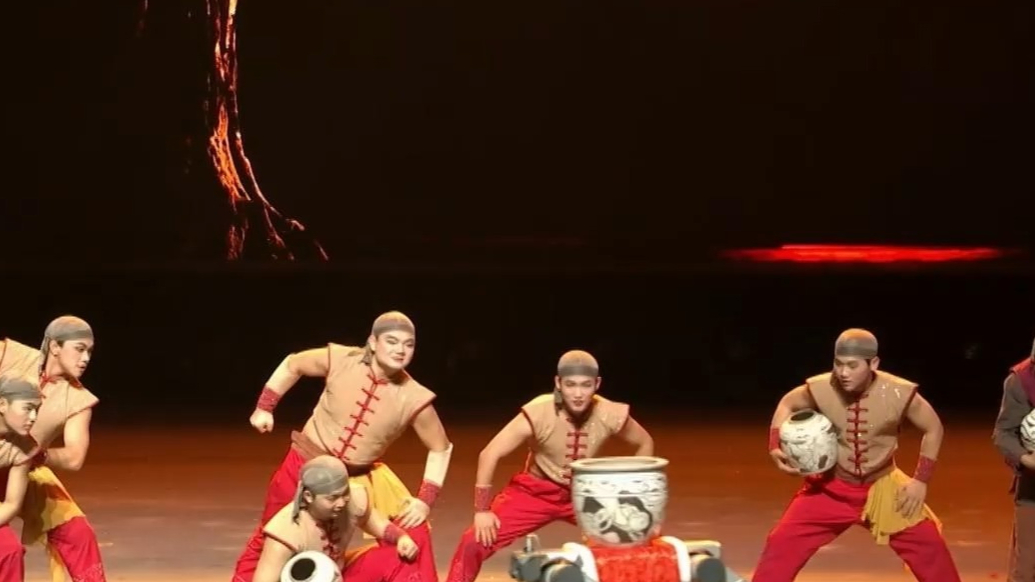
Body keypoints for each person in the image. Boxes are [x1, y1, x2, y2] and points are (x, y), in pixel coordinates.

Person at [233, 311, 452, 582]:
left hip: (354, 480)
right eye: (392, 341)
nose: (400, 350)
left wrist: (424, 501)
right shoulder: (342, 359)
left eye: (409, 345)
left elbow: (440, 447)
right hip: (303, 464)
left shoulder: (415, 397)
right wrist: (265, 407)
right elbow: (293, 364)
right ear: (373, 342)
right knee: (271, 534)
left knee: (411, 534)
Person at [752, 328, 961, 582]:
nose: (843, 372)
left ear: (873, 364)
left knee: (930, 546)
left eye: (852, 365)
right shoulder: (821, 387)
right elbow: (788, 402)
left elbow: (933, 427)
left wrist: (921, 481)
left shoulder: (898, 392)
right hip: (830, 489)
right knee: (781, 543)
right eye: (838, 364)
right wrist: (775, 445)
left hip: (883, 488)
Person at [445, 350, 655, 582]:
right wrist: (482, 510)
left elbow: (644, 442)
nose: (578, 394)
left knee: (636, 537)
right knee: (473, 541)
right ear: (558, 383)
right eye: (570, 385)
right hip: (536, 492)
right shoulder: (538, 412)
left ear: (597, 384)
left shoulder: (609, 413)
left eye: (585, 385)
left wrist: (633, 494)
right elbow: (490, 453)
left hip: (586, 493)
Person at [0, 316, 105, 582]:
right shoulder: (11, 354)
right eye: (79, 349)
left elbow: (74, 457)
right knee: (7, 550)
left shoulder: (79, 399)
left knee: (79, 534)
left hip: (25, 469)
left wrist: (38, 454)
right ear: (55, 346)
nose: (85, 358)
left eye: (90, 351)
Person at [253, 455, 424, 582]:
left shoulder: (354, 498)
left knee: (397, 556)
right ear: (308, 496)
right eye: (332, 498)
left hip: (341, 573)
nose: (342, 503)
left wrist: (401, 537)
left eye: (345, 493)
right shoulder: (284, 534)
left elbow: (376, 523)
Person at [993, 337, 1035, 582]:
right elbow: (1003, 433)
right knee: (1026, 570)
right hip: (1033, 489)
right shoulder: (1021, 380)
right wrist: (1026, 459)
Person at [0, 377, 45, 582]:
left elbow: (11, 504)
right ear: (2, 404)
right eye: (27, 408)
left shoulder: (24, 446)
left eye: (36, 409)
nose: (33, 417)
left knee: (10, 550)